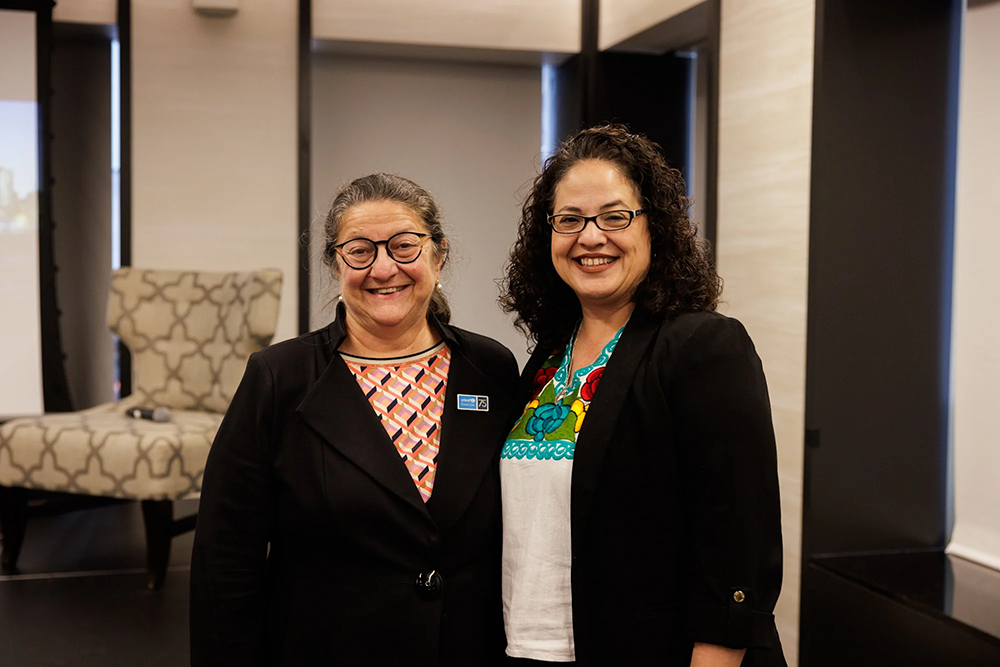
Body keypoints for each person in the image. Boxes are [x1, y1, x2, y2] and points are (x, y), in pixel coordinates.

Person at [191, 173, 519, 666]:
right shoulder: (279, 379)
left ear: (439, 254)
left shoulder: (491, 368)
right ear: (335, 262)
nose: (384, 268)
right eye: (360, 250)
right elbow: (225, 558)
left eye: (405, 246)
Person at [499, 125, 786, 666]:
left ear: (656, 226)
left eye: (615, 216)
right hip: (536, 647)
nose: (590, 237)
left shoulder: (702, 346)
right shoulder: (547, 359)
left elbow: (736, 544)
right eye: (570, 220)